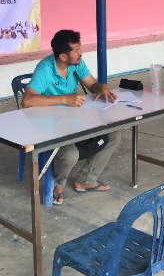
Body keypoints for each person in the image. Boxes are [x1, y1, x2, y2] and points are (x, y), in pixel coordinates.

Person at [22, 29, 120, 205]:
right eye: (76, 50)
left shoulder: (76, 63)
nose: (81, 53)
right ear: (63, 56)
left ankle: (86, 180)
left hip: (75, 120)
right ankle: (58, 186)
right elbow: (27, 100)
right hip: (50, 126)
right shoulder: (45, 69)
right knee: (70, 154)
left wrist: (101, 87)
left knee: (113, 135)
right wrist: (64, 99)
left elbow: (92, 84)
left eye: (79, 48)